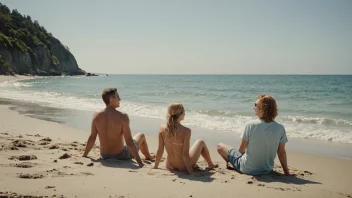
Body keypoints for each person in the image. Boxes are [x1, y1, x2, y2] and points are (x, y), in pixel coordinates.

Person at [217, 94, 293, 175]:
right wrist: (286, 172)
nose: (253, 107)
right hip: (267, 170)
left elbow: (241, 149)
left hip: (247, 169)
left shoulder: (250, 125)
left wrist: (237, 157)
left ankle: (230, 163)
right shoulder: (280, 128)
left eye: (256, 105)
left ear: (263, 110)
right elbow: (281, 152)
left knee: (220, 146)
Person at [82, 88, 154, 167]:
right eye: (117, 96)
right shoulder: (123, 117)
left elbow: (92, 137)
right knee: (141, 135)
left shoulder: (96, 115)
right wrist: (140, 163)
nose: (120, 99)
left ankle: (148, 156)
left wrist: (85, 155)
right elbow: (129, 142)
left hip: (104, 155)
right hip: (120, 155)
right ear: (111, 99)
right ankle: (148, 157)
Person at [153, 102, 217, 176]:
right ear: (180, 115)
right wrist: (191, 172)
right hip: (183, 166)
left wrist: (155, 166)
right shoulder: (186, 131)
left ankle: (210, 164)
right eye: (184, 112)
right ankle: (210, 164)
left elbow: (160, 150)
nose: (185, 113)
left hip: (169, 165)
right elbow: (185, 155)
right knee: (200, 142)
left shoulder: (162, 129)